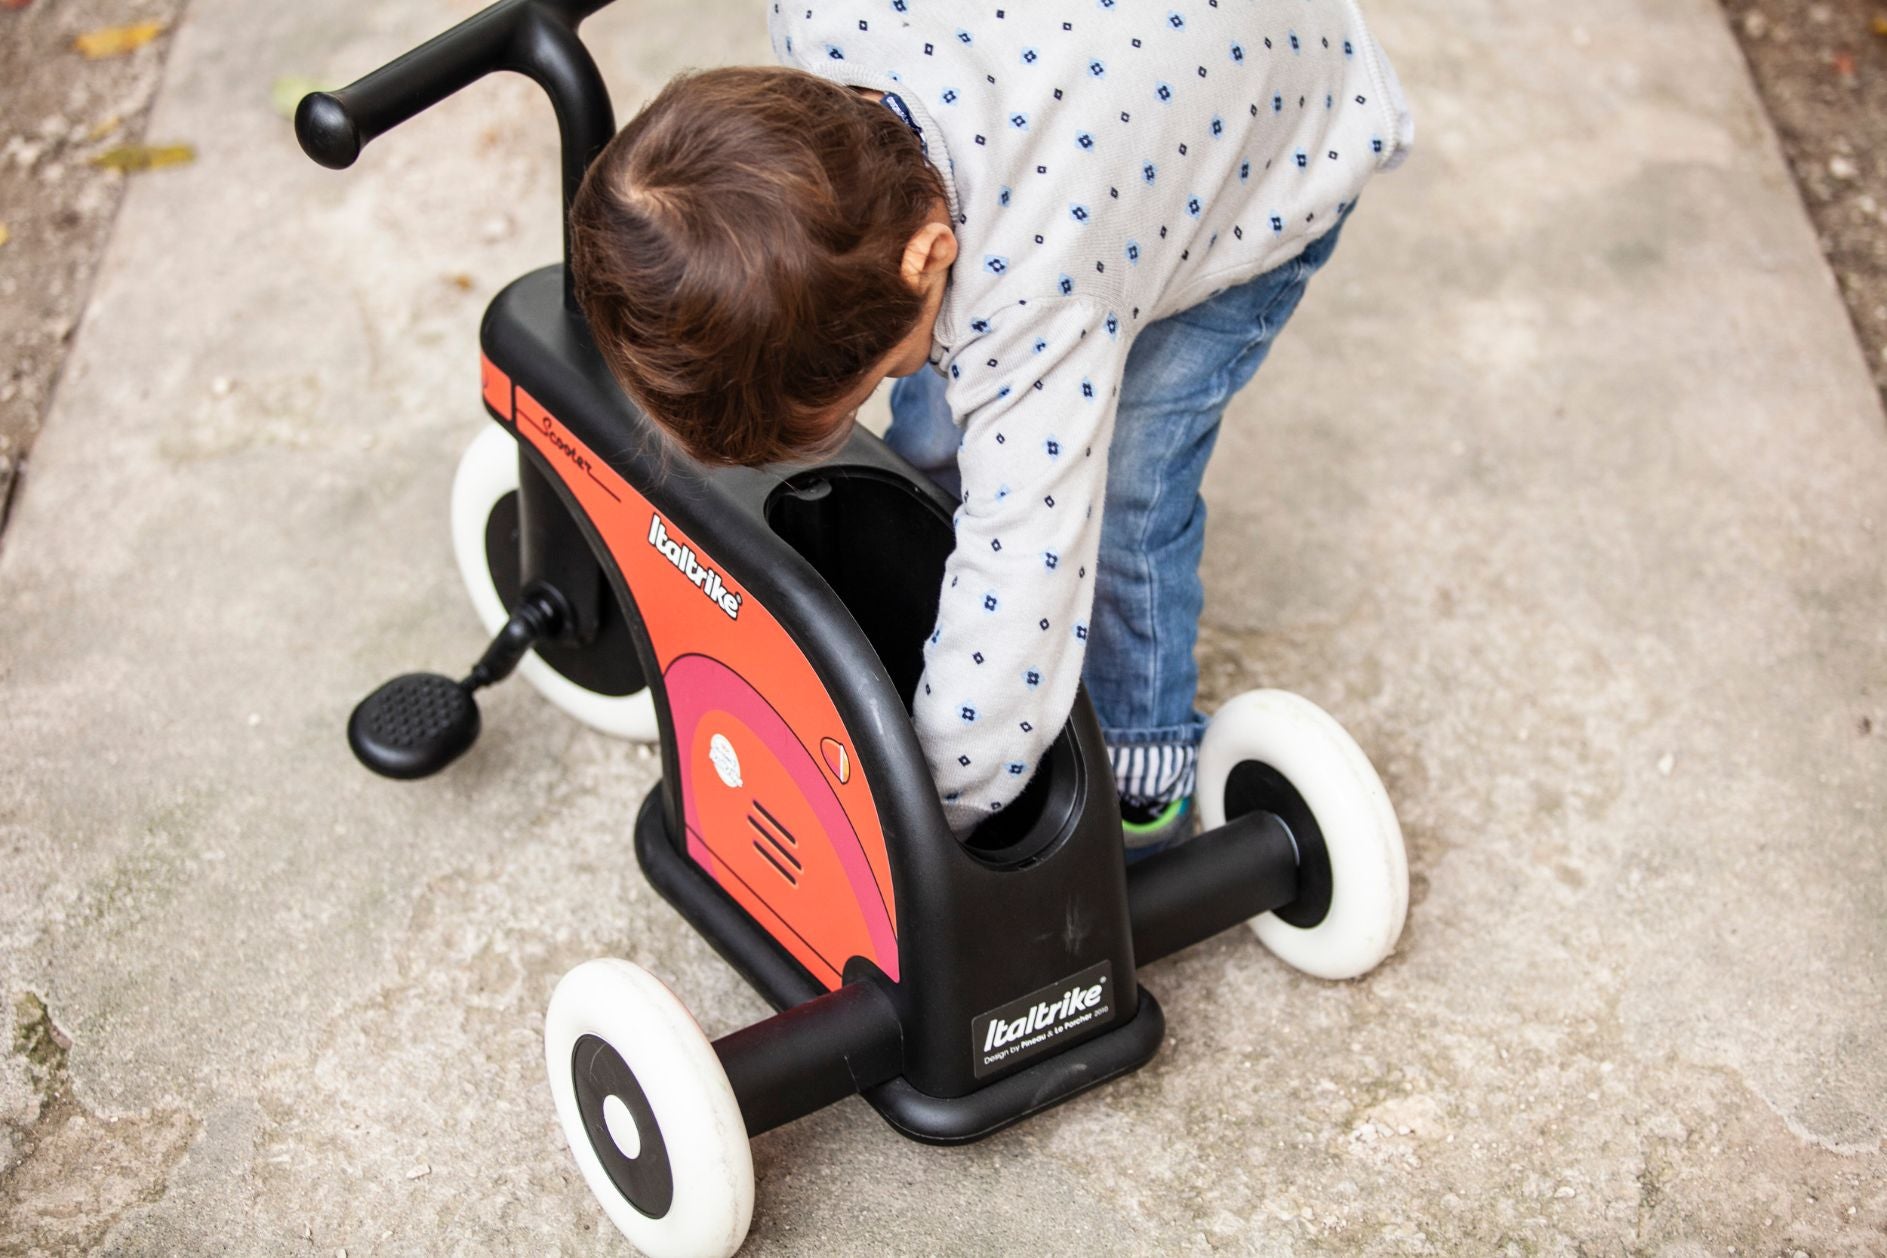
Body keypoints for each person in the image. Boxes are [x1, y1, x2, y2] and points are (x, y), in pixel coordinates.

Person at [570, 1, 1412, 849]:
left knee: (1123, 500)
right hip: (1103, 89)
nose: (889, 381)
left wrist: (922, 822)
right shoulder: (819, 19)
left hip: (1274, 138)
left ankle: (1141, 773)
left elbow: (1022, 576)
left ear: (927, 257)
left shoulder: (1033, 295)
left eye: (875, 377)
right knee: (946, 437)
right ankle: (922, 591)